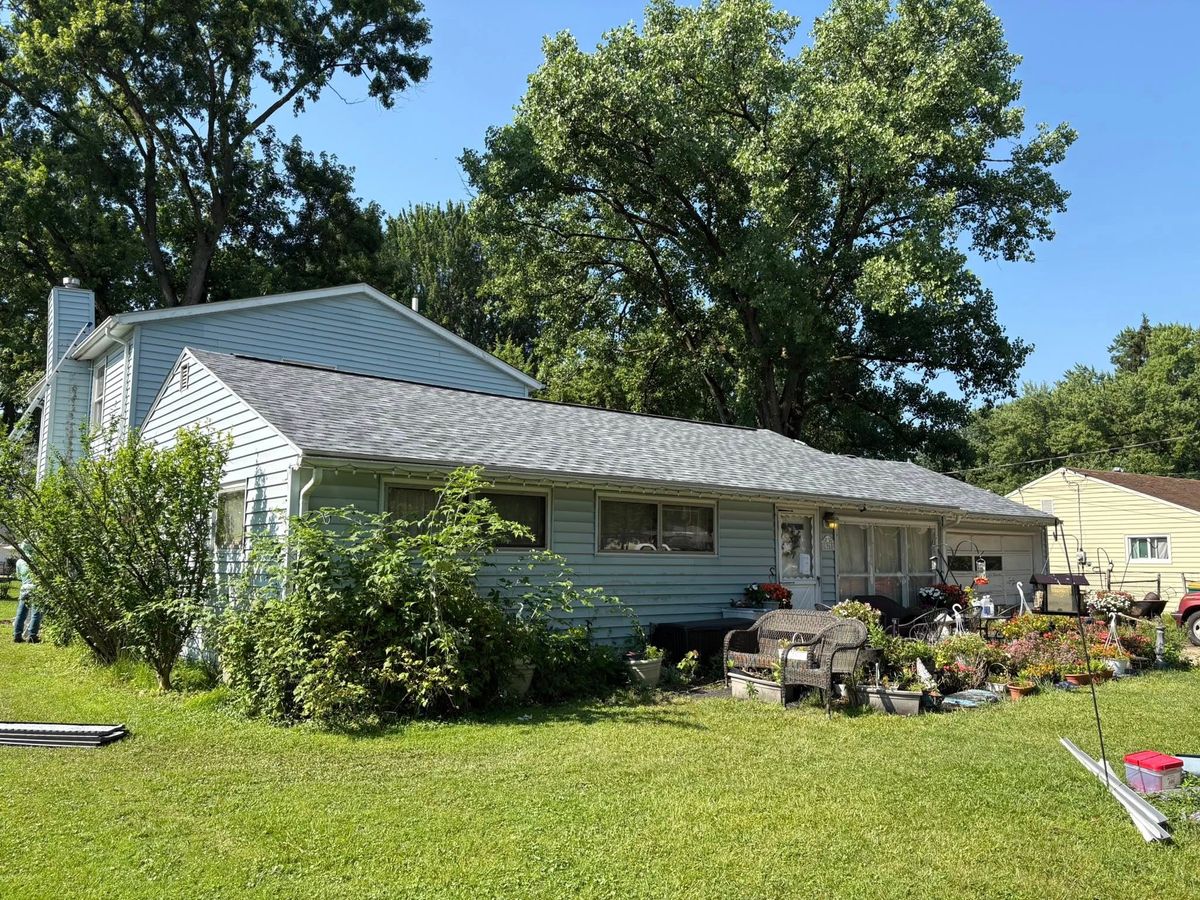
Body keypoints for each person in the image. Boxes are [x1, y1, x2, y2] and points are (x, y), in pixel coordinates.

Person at [12, 549, 41, 644]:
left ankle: (17, 635)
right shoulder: (36, 560)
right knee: (36, 614)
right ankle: (32, 636)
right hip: (36, 588)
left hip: (24, 588)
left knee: (21, 613)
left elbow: (19, 576)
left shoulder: (19, 562)